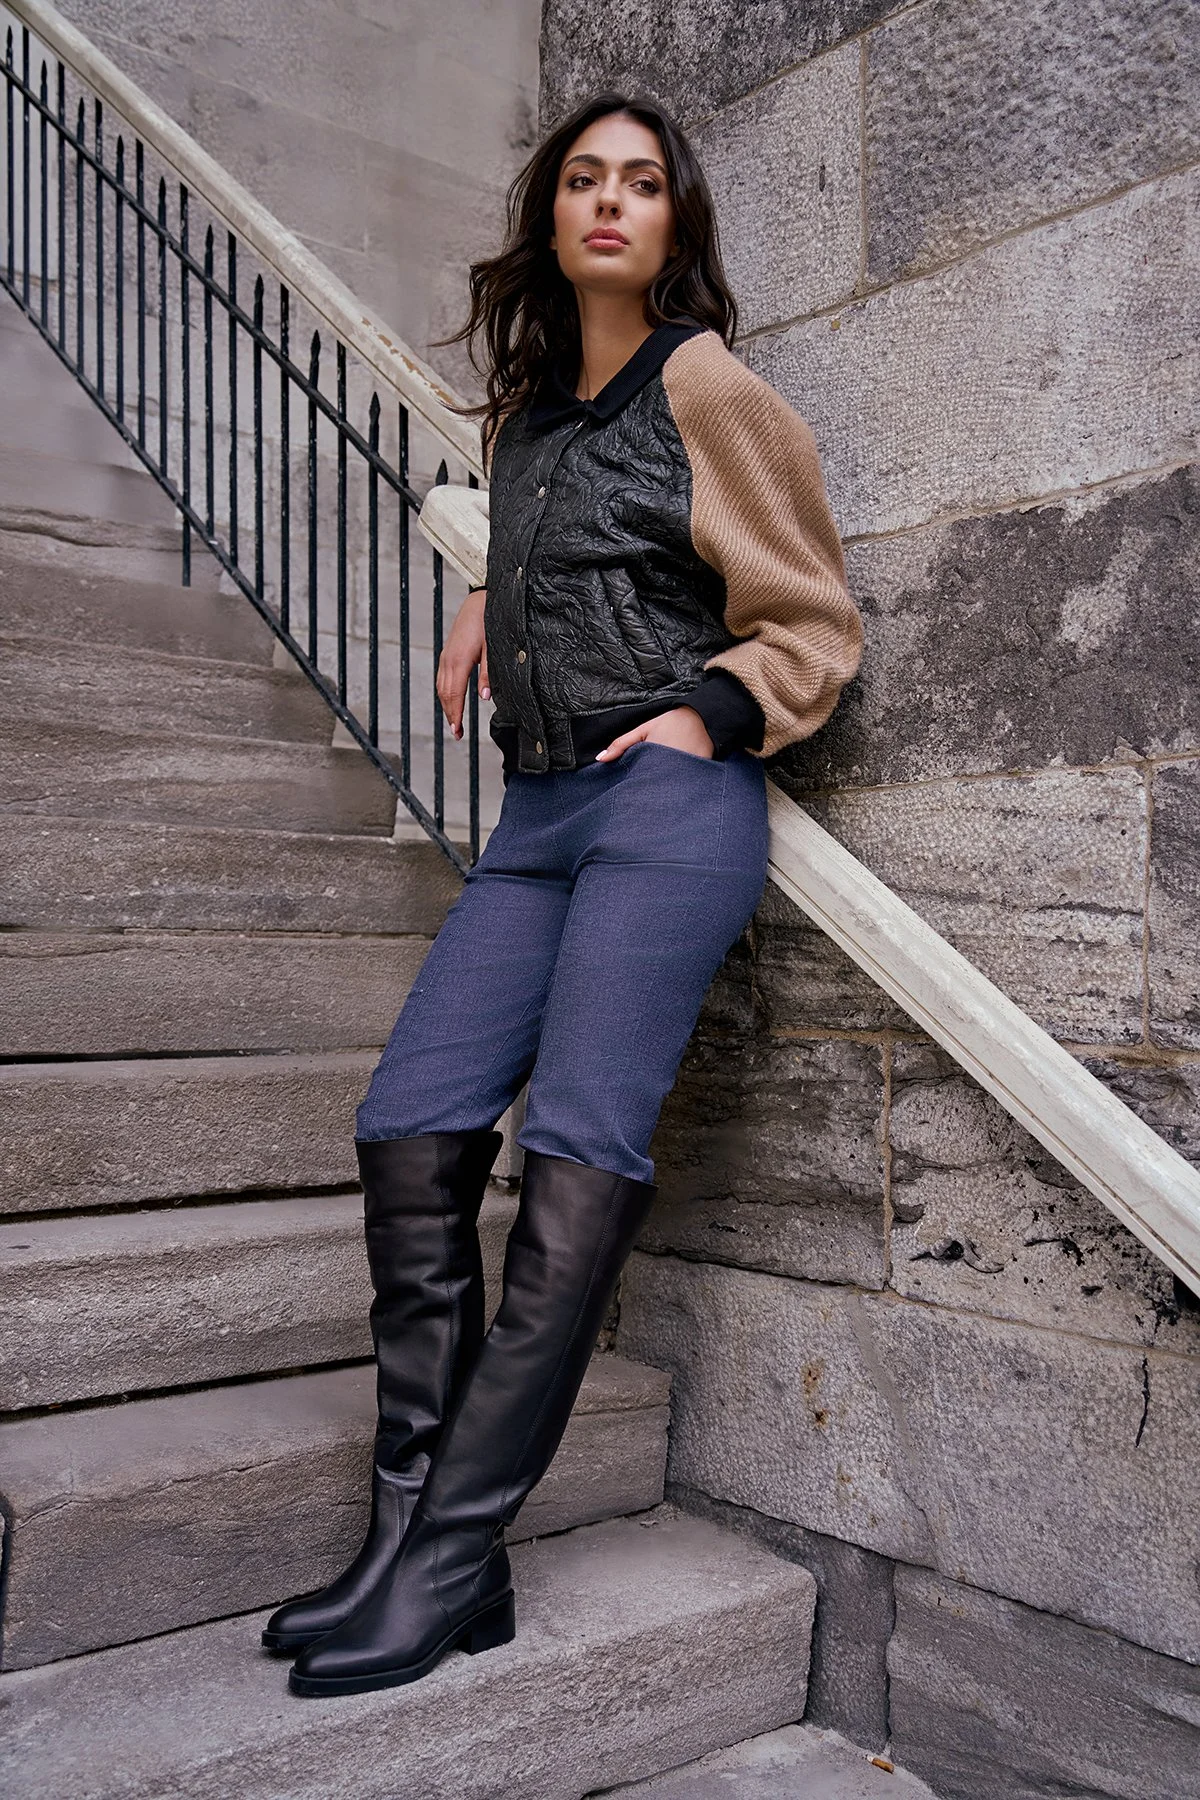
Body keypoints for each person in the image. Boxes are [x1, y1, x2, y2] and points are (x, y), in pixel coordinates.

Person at [264, 88, 864, 1699]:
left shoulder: (709, 383)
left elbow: (811, 617)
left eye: (644, 184)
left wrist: (706, 713)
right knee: (411, 1124)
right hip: (536, 821)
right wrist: (486, 597)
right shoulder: (522, 420)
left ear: (677, 223)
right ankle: (414, 1545)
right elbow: (571, 539)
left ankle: (454, 1554)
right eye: (585, 179)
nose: (612, 202)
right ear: (552, 213)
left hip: (666, 811)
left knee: (578, 1156)